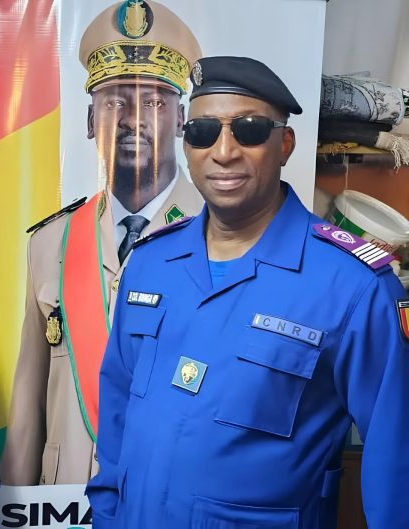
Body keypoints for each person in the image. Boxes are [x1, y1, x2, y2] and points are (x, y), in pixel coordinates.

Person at [87, 56, 409, 528]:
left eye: (250, 130)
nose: (223, 152)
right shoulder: (151, 264)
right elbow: (117, 411)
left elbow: (397, 462)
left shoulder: (355, 287)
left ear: (285, 144)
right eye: (201, 132)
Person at [0, 0, 203, 486]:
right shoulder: (51, 242)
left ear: (181, 119)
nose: (133, 119)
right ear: (91, 120)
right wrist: (14, 503)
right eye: (114, 102)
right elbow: (28, 397)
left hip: (168, 495)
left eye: (155, 102)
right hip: (64, 500)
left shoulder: (218, 234)